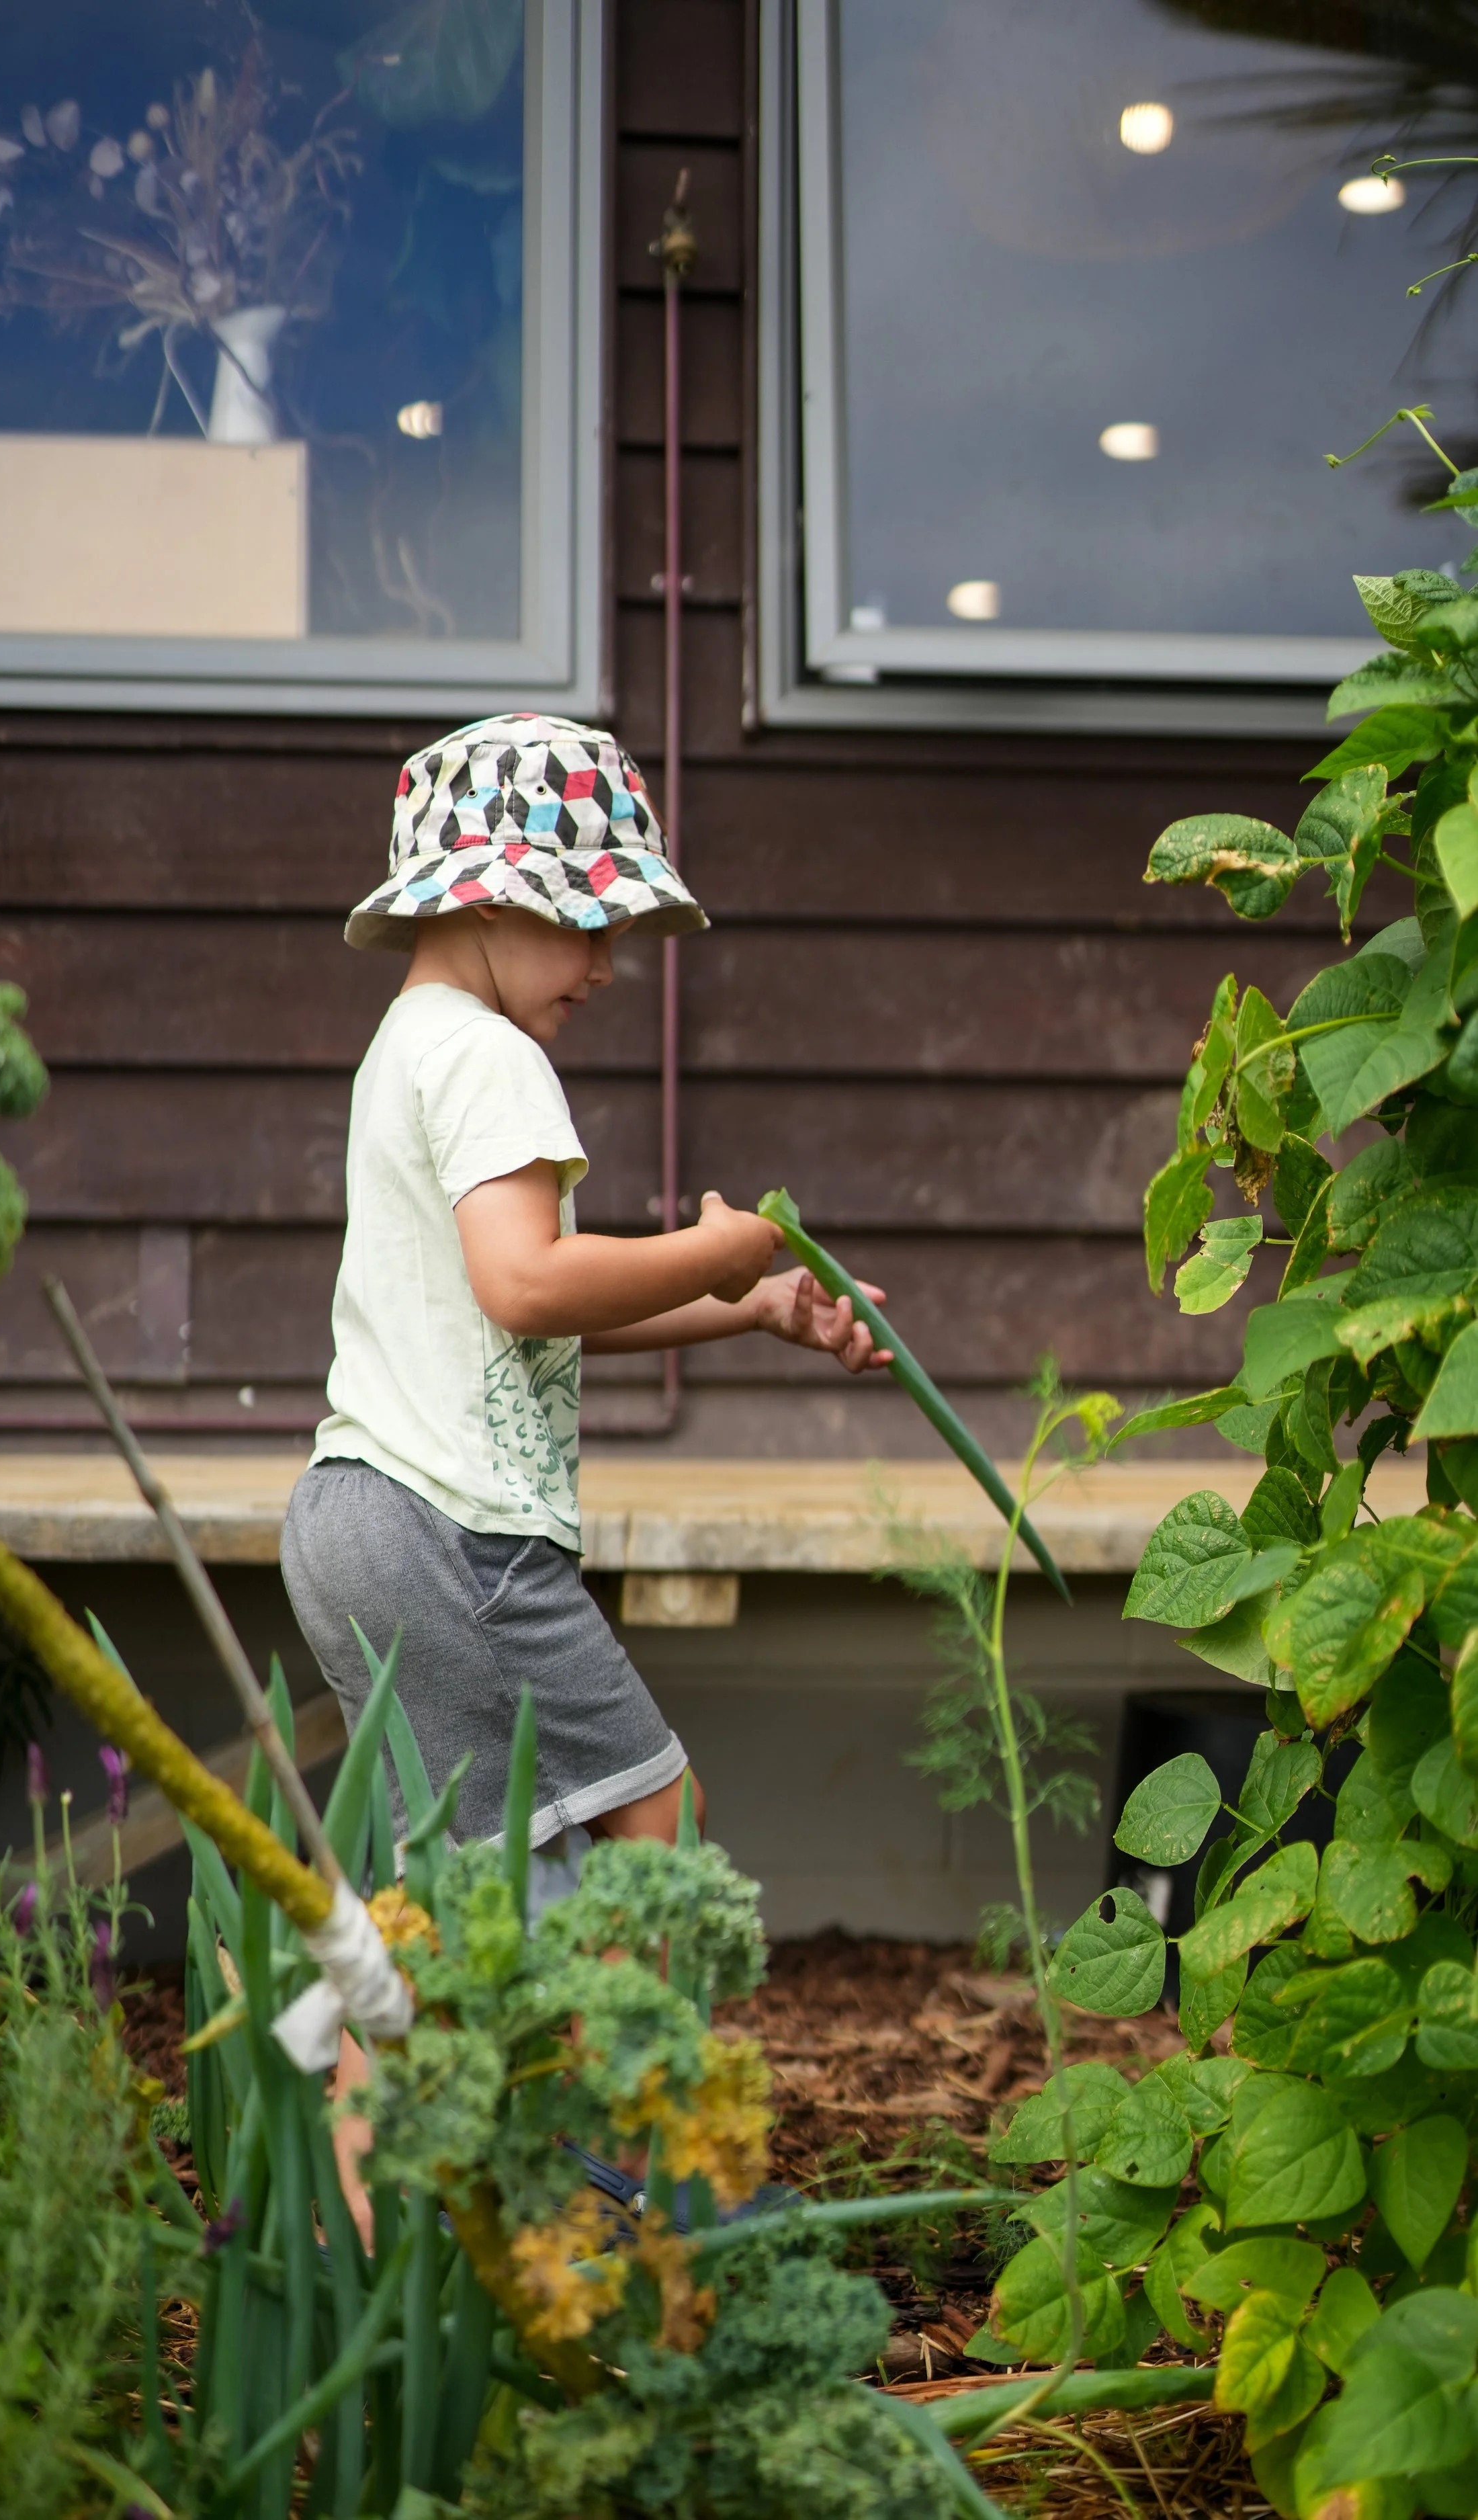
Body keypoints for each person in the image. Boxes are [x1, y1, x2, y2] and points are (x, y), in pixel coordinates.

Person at [280, 710, 890, 2222]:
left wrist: (739, 1304)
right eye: (587, 919)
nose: (608, 962)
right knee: (654, 1824)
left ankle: (364, 2203)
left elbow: (522, 1314)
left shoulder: (408, 1051)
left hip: (355, 1514)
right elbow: (530, 1287)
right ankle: (627, 2169)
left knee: (455, 1901)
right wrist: (717, 1240)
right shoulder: (490, 1060)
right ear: (486, 897)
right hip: (459, 1538)